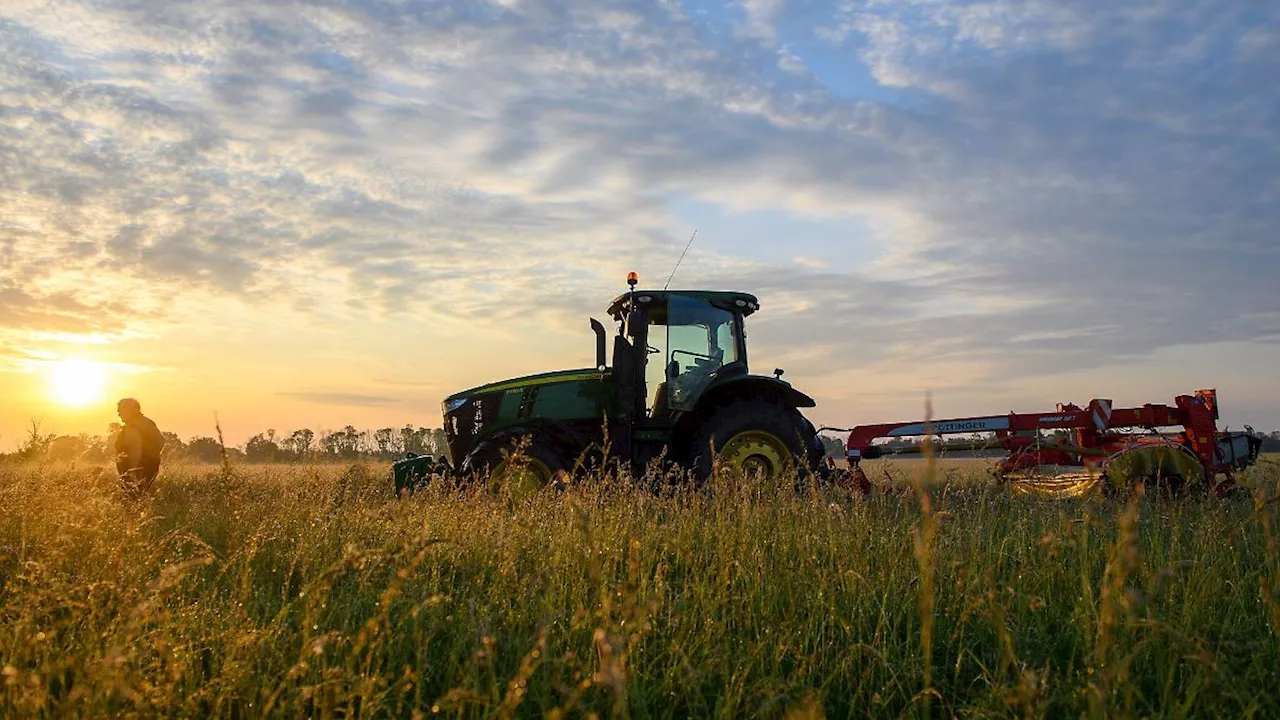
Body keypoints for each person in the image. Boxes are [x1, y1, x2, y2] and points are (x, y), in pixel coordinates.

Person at [114, 398, 165, 495]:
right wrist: (153, 457)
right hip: (152, 467)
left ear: (131, 410)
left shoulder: (133, 428)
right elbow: (162, 441)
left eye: (121, 410)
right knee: (142, 496)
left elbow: (136, 450)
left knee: (132, 498)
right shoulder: (147, 422)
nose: (119, 414)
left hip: (136, 471)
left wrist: (132, 472)